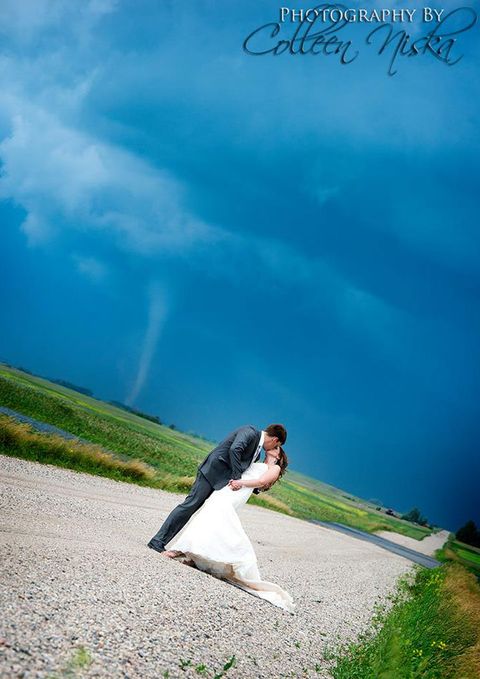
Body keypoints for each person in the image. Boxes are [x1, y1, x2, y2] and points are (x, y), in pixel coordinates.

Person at [162, 445, 295, 613]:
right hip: (230, 488)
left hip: (239, 490)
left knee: (215, 516)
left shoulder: (274, 467)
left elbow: (261, 482)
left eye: (277, 447)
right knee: (211, 518)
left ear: (279, 456)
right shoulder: (258, 460)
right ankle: (195, 555)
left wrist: (240, 482)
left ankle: (180, 550)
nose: (272, 446)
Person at [147, 423, 286, 554]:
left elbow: (248, 471)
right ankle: (157, 541)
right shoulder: (249, 432)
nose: (274, 448)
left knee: (210, 515)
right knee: (190, 505)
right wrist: (237, 476)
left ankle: (197, 551)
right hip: (211, 473)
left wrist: (253, 487)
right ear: (275, 440)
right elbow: (235, 448)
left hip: (223, 482)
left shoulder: (258, 452)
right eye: (277, 445)